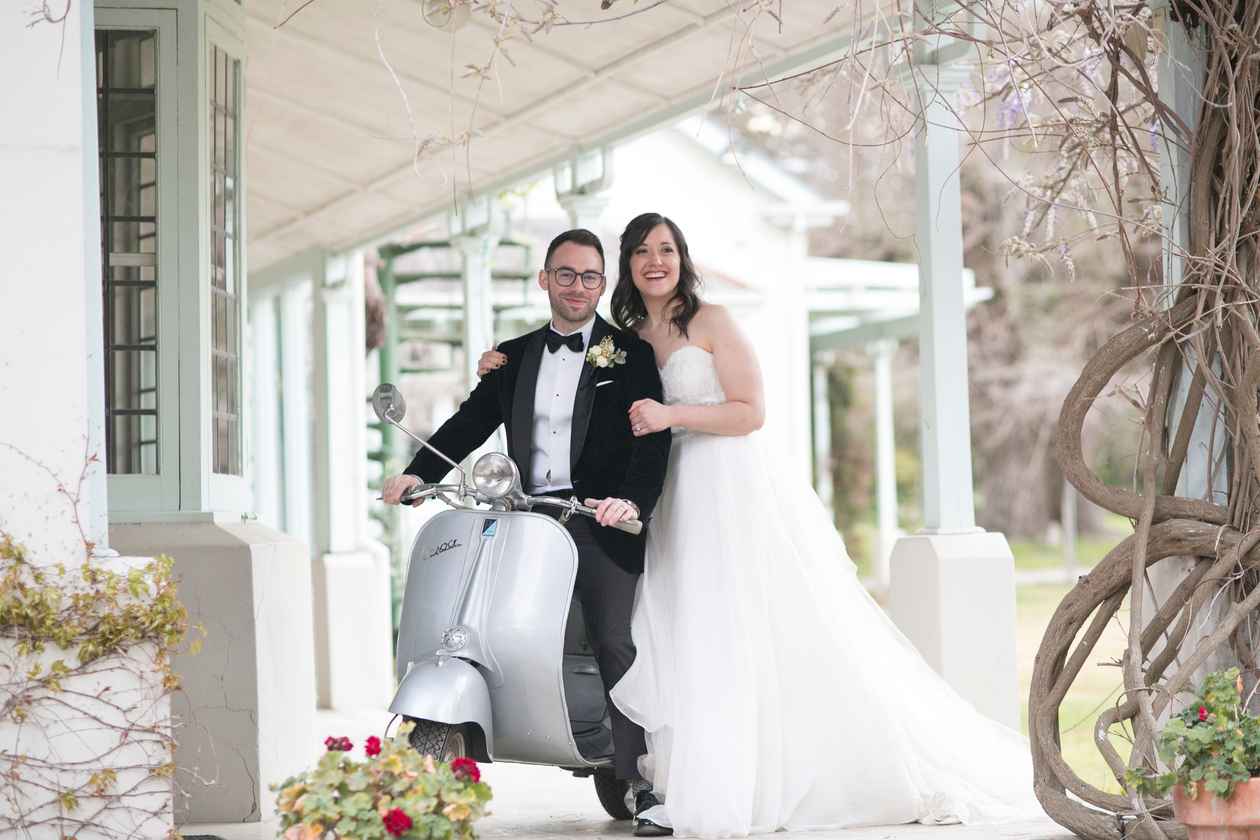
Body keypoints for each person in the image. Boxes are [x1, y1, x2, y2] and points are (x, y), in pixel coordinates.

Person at [474, 213, 1042, 838]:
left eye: (665, 249)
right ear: (627, 266)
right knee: (673, 630)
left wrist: (671, 414)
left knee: (735, 624)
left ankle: (758, 774)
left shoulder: (711, 322)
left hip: (719, 483)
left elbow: (751, 412)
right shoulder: (627, 337)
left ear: (680, 257)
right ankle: (673, 774)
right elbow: (576, 401)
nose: (654, 261)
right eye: (641, 252)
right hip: (660, 496)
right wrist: (504, 364)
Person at [381, 228, 671, 824]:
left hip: (595, 521)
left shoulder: (631, 355)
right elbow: (469, 422)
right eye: (565, 274)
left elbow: (652, 442)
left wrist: (631, 504)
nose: (578, 287)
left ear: (603, 283)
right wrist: (417, 473)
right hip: (525, 514)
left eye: (591, 277)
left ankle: (641, 779)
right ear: (544, 279)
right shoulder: (513, 357)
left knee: (613, 637)